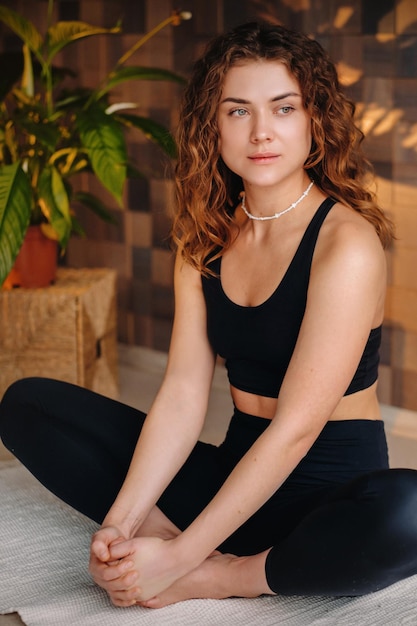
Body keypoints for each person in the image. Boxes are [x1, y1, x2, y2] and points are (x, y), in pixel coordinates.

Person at [1, 21, 417, 611]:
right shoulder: (206, 238)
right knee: (28, 404)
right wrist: (119, 526)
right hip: (233, 474)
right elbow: (182, 392)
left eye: (283, 108)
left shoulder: (345, 244)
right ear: (213, 127)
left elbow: (296, 429)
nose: (262, 132)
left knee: (409, 512)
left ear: (313, 120)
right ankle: (173, 541)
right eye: (238, 111)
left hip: (325, 490)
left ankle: (226, 575)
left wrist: (182, 560)